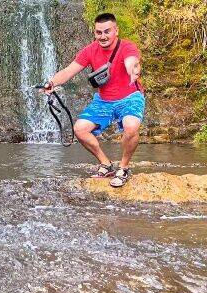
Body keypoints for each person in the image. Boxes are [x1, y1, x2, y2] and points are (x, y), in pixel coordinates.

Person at [42, 13, 144, 187]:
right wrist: (52, 82)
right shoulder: (90, 50)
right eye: (99, 32)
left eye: (107, 31)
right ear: (95, 33)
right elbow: (68, 71)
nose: (103, 36)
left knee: (131, 127)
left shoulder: (127, 47)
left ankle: (124, 167)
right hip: (104, 100)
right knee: (80, 129)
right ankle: (106, 164)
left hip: (130, 97)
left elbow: (131, 61)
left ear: (116, 31)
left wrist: (133, 69)